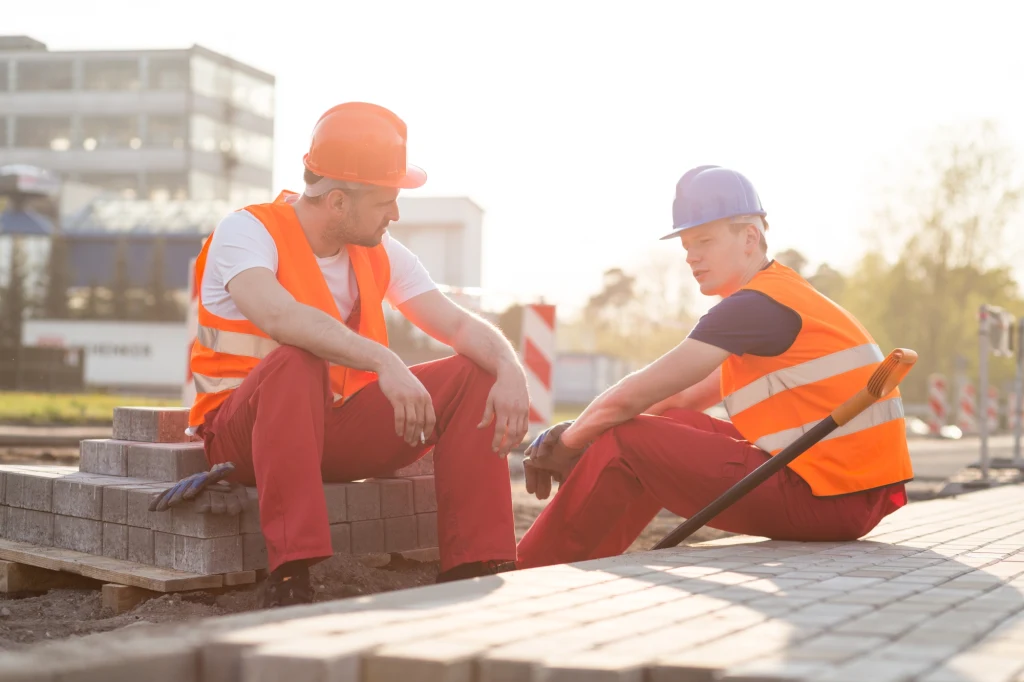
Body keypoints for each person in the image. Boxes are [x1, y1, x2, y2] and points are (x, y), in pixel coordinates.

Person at [152, 102, 529, 605]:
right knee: (296, 357)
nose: (395, 214)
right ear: (336, 202)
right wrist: (384, 361)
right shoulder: (246, 232)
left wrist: (509, 367)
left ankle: (476, 563)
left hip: (333, 430)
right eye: (385, 202)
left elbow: (457, 323)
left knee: (476, 372)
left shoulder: (379, 249)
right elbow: (279, 318)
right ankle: (292, 572)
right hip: (245, 435)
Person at [516, 165, 913, 570]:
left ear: (749, 237)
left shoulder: (753, 307)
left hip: (828, 497)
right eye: (687, 244)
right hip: (850, 492)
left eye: (704, 240)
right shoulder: (781, 295)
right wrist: (585, 438)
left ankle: (529, 569)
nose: (692, 256)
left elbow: (638, 394)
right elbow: (679, 397)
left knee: (626, 441)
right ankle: (592, 556)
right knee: (671, 420)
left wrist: (569, 443)